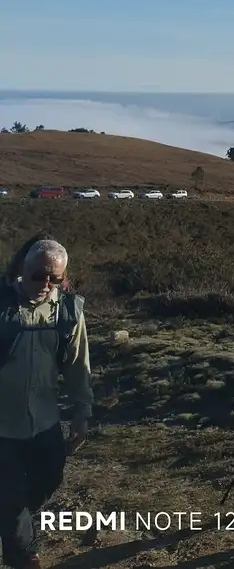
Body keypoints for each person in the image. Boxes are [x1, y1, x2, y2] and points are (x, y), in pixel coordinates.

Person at [0, 238, 92, 569]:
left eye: (55, 279)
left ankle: (14, 528)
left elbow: (78, 366)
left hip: (45, 421)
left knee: (49, 480)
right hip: (2, 426)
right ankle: (24, 556)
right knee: (10, 499)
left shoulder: (67, 311)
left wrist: (82, 412)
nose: (46, 285)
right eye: (39, 276)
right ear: (22, 269)